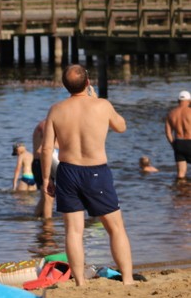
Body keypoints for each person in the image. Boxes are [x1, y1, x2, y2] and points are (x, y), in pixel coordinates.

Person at [41, 64, 134, 286]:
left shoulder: (56, 110)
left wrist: (46, 178)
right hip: (96, 171)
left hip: (67, 171)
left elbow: (46, 149)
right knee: (115, 227)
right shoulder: (101, 105)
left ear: (65, 86)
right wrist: (99, 100)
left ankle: (80, 282)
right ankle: (128, 279)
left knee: (73, 231)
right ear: (88, 82)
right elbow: (122, 126)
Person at [32, 119, 58, 218]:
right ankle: (48, 226)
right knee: (48, 197)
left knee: (45, 197)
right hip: (41, 163)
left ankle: (36, 219)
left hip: (45, 162)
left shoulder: (47, 124)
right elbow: (48, 144)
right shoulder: (45, 125)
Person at [164, 90, 191, 180]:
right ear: (189, 101)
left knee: (180, 174)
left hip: (178, 143)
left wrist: (173, 145)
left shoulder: (171, 114)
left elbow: (168, 133)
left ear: (178, 101)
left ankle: (180, 192)